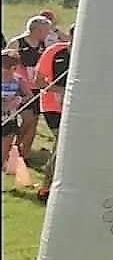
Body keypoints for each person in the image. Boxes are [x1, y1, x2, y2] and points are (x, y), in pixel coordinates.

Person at [35, 25, 74, 197]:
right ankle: (46, 187)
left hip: (77, 108)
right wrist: (61, 90)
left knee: (68, 145)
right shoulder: (55, 52)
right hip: (53, 106)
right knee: (62, 143)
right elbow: (38, 82)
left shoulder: (93, 56)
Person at [6, 15, 51, 159]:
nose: (47, 33)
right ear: (36, 30)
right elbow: (6, 63)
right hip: (18, 86)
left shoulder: (43, 45)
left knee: (34, 120)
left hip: (36, 87)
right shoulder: (17, 43)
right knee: (28, 117)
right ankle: (13, 146)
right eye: (45, 30)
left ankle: (23, 153)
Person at [2, 50, 34, 173]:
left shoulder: (18, 80)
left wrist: (19, 99)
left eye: (9, 69)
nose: (6, 73)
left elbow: (30, 97)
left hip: (9, 121)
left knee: (4, 153)